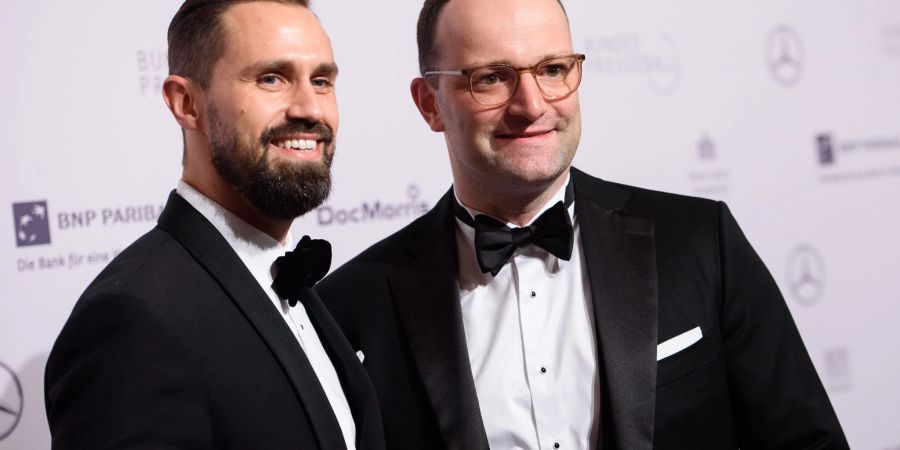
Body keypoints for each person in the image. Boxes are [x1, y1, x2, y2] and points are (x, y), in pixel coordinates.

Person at [315, 0, 849, 449]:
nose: (531, 105)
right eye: (492, 78)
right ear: (430, 103)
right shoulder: (354, 307)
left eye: (552, 69)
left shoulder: (701, 241)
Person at [44, 1, 384, 448]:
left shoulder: (292, 283)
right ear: (186, 103)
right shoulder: (133, 320)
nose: (309, 108)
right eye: (271, 78)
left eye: (321, 81)